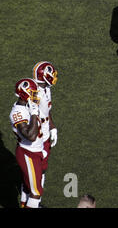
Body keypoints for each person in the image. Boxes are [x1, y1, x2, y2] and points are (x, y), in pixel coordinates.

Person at [10, 78, 45, 208]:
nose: (35, 95)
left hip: (35, 151)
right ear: (25, 93)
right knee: (36, 192)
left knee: (29, 186)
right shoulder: (17, 112)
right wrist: (34, 114)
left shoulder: (27, 106)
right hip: (28, 153)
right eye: (33, 93)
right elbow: (31, 136)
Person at [32, 61, 58, 196]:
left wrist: (52, 126)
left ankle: (37, 201)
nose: (54, 77)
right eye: (51, 74)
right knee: (35, 173)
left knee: (42, 170)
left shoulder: (46, 88)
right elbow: (32, 116)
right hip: (37, 138)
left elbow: (47, 110)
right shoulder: (35, 94)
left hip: (46, 134)